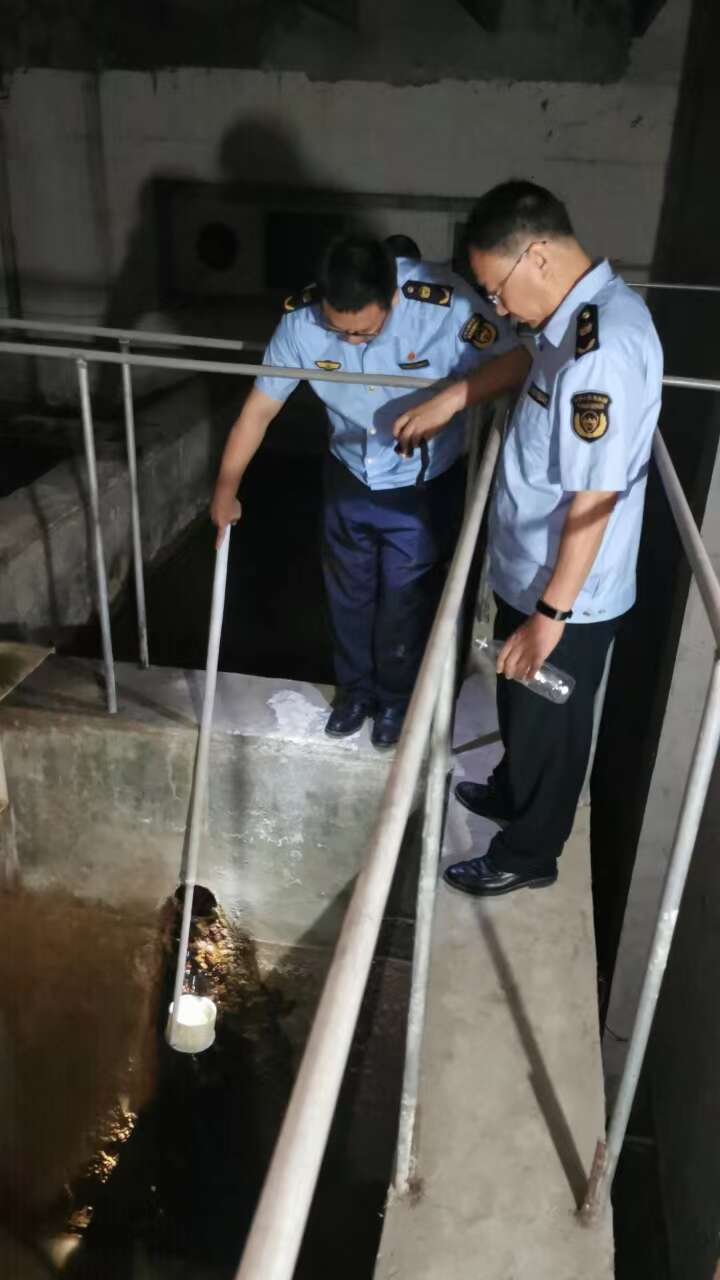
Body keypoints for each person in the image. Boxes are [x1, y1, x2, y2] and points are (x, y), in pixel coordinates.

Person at [393, 180, 663, 894]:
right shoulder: (573, 319)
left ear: (536, 256)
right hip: (530, 564)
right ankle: (513, 790)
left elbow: (596, 497)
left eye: (497, 289)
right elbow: (525, 360)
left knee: (551, 724)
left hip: (567, 588)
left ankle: (528, 853)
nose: (500, 308)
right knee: (519, 700)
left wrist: (551, 614)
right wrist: (456, 396)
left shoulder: (602, 350)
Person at [210, 232, 525, 747]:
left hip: (420, 486)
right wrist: (226, 487)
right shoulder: (302, 322)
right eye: (341, 332)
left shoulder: (444, 308)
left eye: (366, 331)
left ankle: (397, 700)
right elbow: (259, 410)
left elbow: (518, 360)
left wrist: (448, 401)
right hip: (348, 473)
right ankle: (355, 693)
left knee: (404, 602)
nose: (353, 342)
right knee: (348, 595)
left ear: (393, 296)